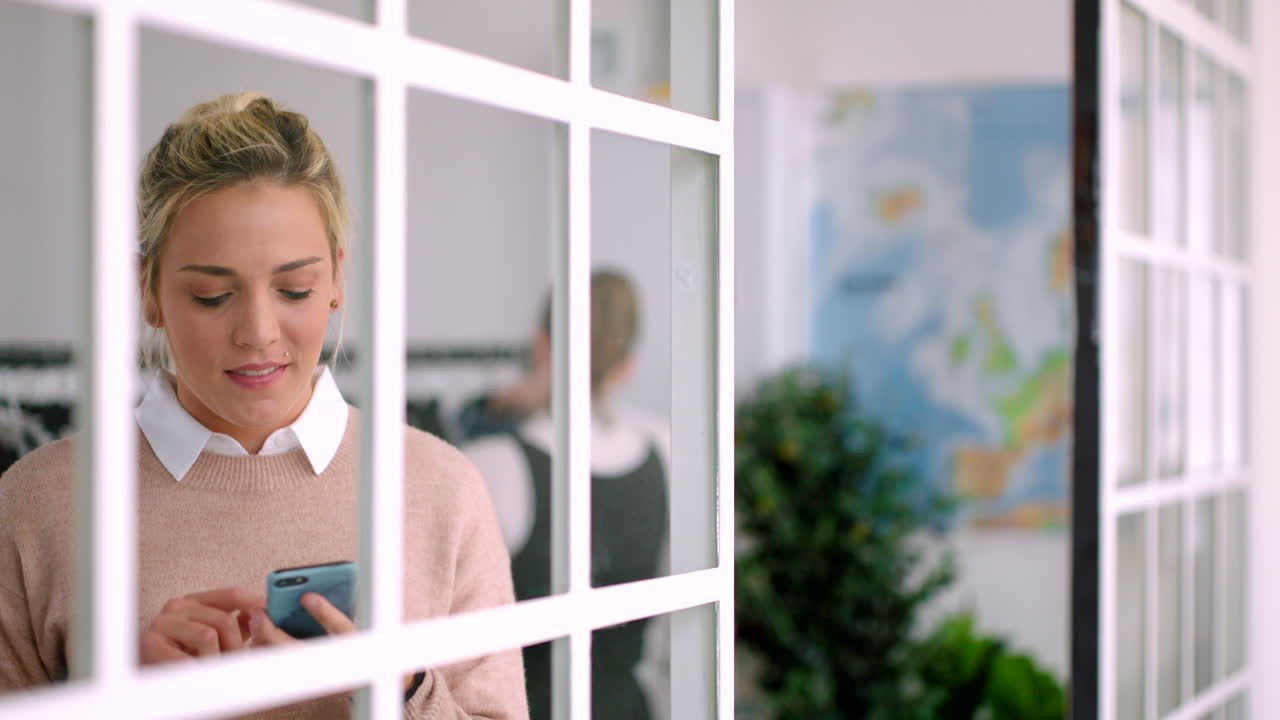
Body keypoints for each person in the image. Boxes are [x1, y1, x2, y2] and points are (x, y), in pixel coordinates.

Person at [0, 92, 527, 719]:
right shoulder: (38, 504)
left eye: (293, 289)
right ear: (149, 291)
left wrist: (404, 691)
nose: (257, 332)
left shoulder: (442, 490)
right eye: (212, 295)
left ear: (334, 279)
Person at [462, 270, 670, 720]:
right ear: (627, 366)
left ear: (541, 346)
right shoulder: (665, 449)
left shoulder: (494, 461)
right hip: (632, 707)